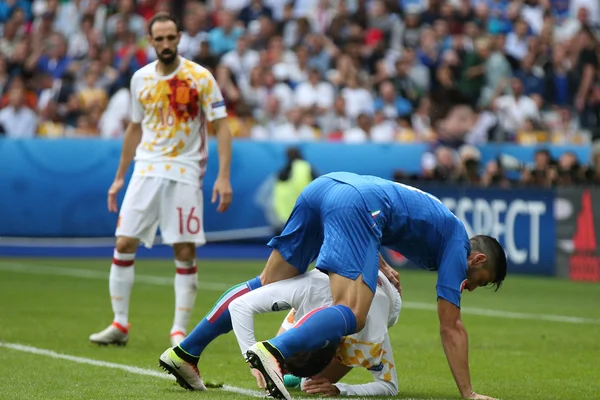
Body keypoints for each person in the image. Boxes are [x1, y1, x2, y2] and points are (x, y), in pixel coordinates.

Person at [158, 172, 506, 400]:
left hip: (325, 187)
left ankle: (186, 352)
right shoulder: (457, 245)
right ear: (477, 261)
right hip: (357, 205)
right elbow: (451, 326)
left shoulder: (440, 220)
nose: (470, 288)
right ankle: (274, 350)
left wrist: (379, 260)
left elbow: (385, 215)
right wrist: (469, 394)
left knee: (266, 283)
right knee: (355, 313)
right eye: (479, 281)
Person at [89, 12, 233, 347]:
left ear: (179, 37)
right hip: (145, 169)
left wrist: (223, 176)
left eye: (172, 37)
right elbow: (134, 127)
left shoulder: (200, 77)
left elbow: (222, 125)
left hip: (184, 171)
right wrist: (119, 177)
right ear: (151, 41)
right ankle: (119, 325)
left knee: (183, 250)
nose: (166, 44)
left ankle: (178, 331)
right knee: (124, 242)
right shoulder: (139, 78)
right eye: (160, 39)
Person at [227, 268, 401, 397]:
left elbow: (389, 386)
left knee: (309, 385)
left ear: (335, 354)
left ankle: (300, 376)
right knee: (276, 354)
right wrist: (253, 359)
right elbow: (238, 306)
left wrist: (340, 389)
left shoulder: (367, 337)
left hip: (387, 297)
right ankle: (288, 368)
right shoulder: (309, 288)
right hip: (329, 287)